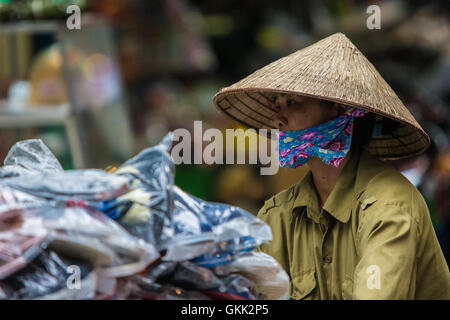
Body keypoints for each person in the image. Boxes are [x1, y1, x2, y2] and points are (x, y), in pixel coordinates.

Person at [213, 32, 450, 299]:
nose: (279, 119)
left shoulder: (389, 206)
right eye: (276, 105)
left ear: (338, 110)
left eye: (290, 102)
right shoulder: (278, 215)